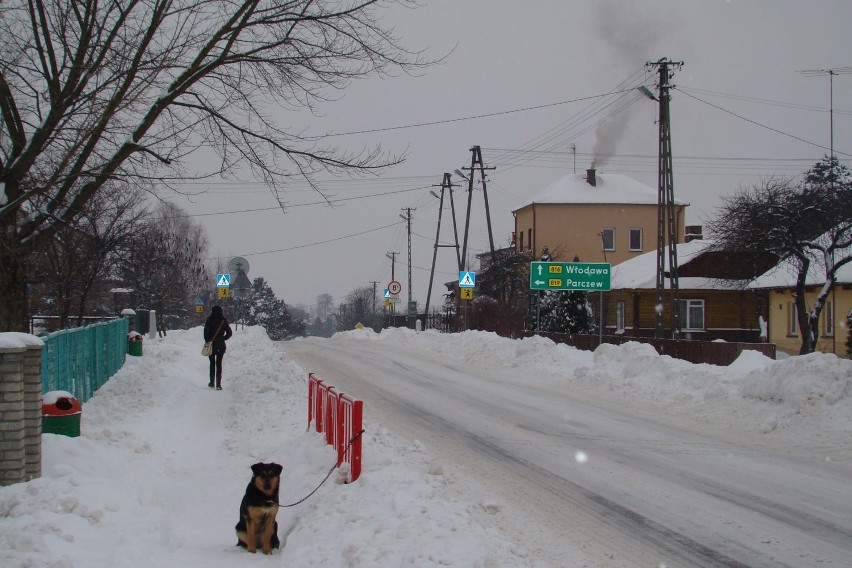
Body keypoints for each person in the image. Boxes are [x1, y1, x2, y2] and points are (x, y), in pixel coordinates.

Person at [204, 305, 233, 390]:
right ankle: (219, 384)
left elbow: (206, 331)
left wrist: (207, 341)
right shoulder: (223, 321)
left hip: (211, 344)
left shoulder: (209, 320)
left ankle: (212, 382)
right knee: (219, 363)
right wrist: (223, 338)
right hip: (221, 345)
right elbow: (229, 333)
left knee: (212, 363)